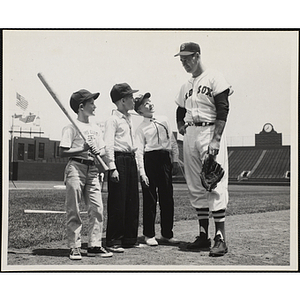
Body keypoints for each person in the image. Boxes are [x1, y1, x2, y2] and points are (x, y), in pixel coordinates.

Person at [174, 42, 234, 256]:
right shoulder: (185, 85)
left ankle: (220, 238)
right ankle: (202, 235)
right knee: (196, 186)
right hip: (191, 134)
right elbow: (180, 108)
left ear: (197, 56)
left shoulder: (214, 76)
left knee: (214, 183)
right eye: (181, 59)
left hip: (210, 131)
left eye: (187, 58)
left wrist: (216, 139)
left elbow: (223, 109)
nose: (183, 62)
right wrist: (180, 125)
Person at [60, 89, 113, 260]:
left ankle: (95, 245)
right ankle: (74, 246)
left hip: (93, 169)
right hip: (76, 167)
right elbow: (63, 152)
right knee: (73, 209)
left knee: (97, 208)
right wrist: (82, 148)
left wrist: (100, 150)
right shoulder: (71, 127)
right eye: (91, 103)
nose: (95, 105)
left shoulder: (95, 128)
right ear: (82, 107)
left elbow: (103, 148)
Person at [134, 93, 180, 246]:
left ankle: (167, 233)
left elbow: (172, 141)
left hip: (165, 160)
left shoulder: (164, 120)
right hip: (150, 160)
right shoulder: (141, 128)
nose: (150, 104)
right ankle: (149, 234)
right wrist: (142, 172)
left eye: (149, 101)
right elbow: (139, 151)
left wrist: (174, 159)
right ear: (139, 111)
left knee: (167, 198)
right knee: (150, 199)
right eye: (145, 104)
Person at [103, 83, 140, 253]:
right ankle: (113, 239)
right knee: (118, 200)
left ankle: (129, 238)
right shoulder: (113, 120)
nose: (134, 100)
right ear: (123, 100)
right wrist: (112, 167)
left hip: (130, 159)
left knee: (132, 199)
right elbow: (108, 144)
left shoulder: (130, 118)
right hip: (119, 159)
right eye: (131, 97)